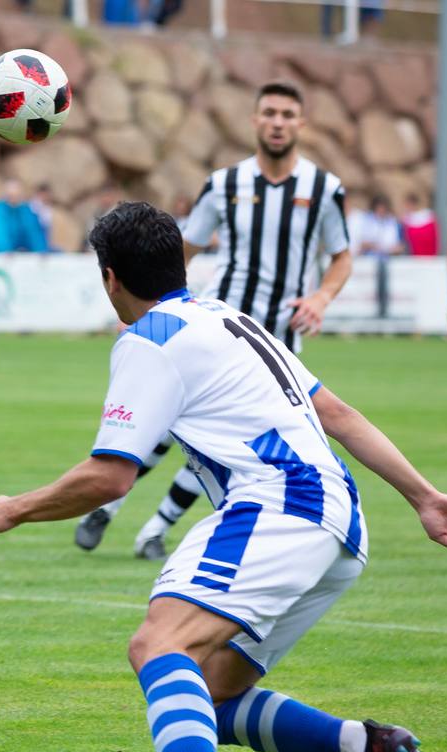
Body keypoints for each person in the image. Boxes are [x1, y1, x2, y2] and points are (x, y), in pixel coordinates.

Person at [0, 200, 447, 752]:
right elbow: (339, 414)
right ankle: (369, 748)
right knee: (209, 694)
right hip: (338, 521)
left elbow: (111, 476)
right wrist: (424, 497)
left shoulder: (149, 339)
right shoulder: (229, 319)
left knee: (159, 645)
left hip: (277, 505)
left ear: (110, 277)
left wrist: (15, 508)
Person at [76, 81, 352, 560]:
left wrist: (322, 298)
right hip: (216, 325)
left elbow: (341, 256)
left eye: (288, 114)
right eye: (269, 112)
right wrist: (149, 311)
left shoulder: (324, 190)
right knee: (168, 426)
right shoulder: (226, 184)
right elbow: (180, 250)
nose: (278, 122)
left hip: (276, 338)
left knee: (230, 440)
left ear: (301, 123)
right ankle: (106, 507)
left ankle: (155, 529)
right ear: (255, 120)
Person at [351, 195, 404, 318]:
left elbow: (400, 245)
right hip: (370, 260)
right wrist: (375, 246)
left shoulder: (393, 222)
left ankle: (383, 309)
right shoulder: (366, 221)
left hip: (388, 259)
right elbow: (361, 243)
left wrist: (389, 249)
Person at [0, 179, 48, 253]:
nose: (14, 198)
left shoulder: (25, 210)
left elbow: (33, 231)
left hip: (15, 252)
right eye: (11, 196)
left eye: (17, 195)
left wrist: (40, 250)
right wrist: (5, 250)